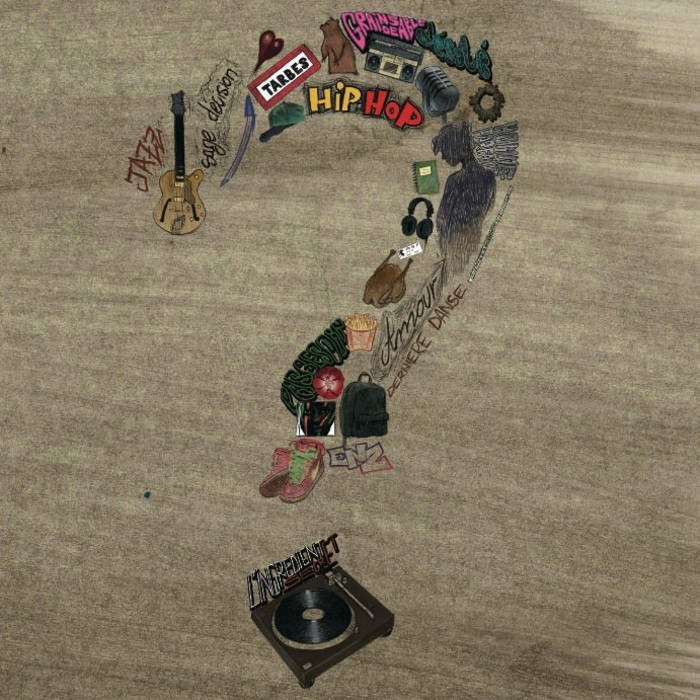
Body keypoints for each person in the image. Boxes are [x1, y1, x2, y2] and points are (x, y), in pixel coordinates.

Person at [432, 121, 496, 279]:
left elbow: (442, 221)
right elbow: (488, 213)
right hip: (474, 247)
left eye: (445, 149)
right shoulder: (489, 177)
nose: (443, 156)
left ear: (457, 146)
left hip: (452, 251)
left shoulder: (455, 180)